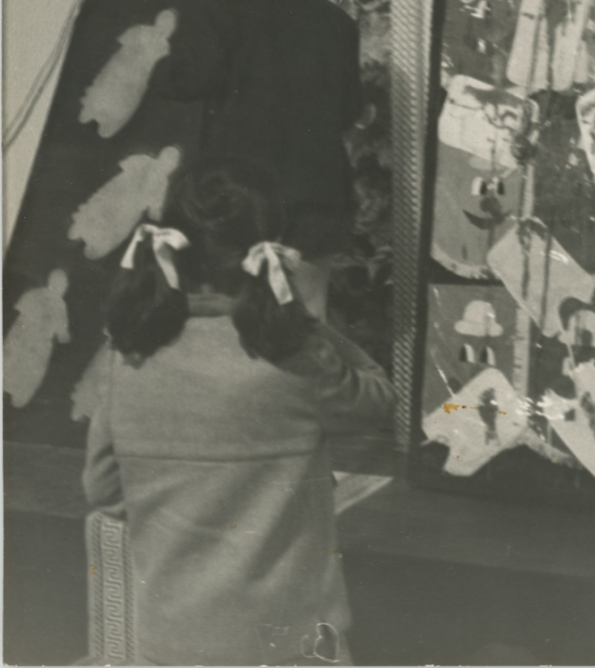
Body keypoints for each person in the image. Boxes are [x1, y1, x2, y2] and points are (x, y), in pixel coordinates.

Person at [82, 157, 395, 667]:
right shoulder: (295, 359)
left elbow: (104, 492)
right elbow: (378, 398)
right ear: (270, 252)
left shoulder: (129, 356)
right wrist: (304, 323)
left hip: (170, 642)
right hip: (290, 643)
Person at [151, 0, 363, 322]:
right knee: (310, 311)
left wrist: (159, 65)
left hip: (239, 198)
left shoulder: (222, 13)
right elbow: (347, 112)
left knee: (236, 311)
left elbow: (187, 82)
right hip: (313, 194)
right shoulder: (338, 24)